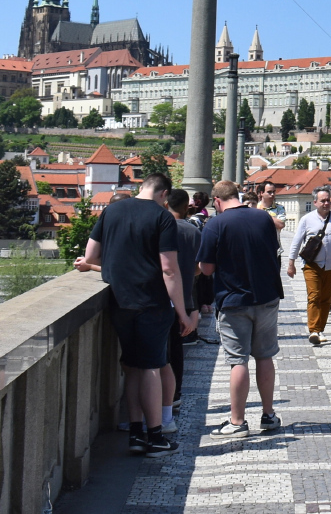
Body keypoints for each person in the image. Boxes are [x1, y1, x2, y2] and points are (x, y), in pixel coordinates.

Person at [74, 172, 194, 458]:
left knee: (131, 366)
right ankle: (156, 437)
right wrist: (182, 312)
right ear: (164, 194)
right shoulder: (162, 217)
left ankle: (136, 434)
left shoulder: (112, 210)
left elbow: (90, 256)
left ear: (142, 186)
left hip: (120, 301)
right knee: (151, 366)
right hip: (151, 302)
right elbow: (169, 269)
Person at [197, 179, 284, 437]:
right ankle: (268, 415)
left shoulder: (215, 224)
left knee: (238, 361)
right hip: (267, 296)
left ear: (217, 201)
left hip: (234, 300)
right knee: (265, 356)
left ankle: (237, 422)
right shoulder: (263, 218)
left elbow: (206, 269)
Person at [288, 186, 331, 346]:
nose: (326, 204)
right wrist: (291, 262)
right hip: (312, 265)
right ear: (315, 202)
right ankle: (313, 330)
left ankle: (319, 329)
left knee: (326, 299)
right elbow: (297, 241)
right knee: (314, 296)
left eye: (328, 200)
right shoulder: (307, 219)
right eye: (323, 201)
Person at [162, 188, 202, 428]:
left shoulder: (161, 229)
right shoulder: (193, 231)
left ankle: (163, 400)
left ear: (166, 203)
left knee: (161, 352)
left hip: (161, 297)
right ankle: (175, 395)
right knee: (177, 350)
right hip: (185, 295)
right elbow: (199, 268)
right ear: (187, 207)